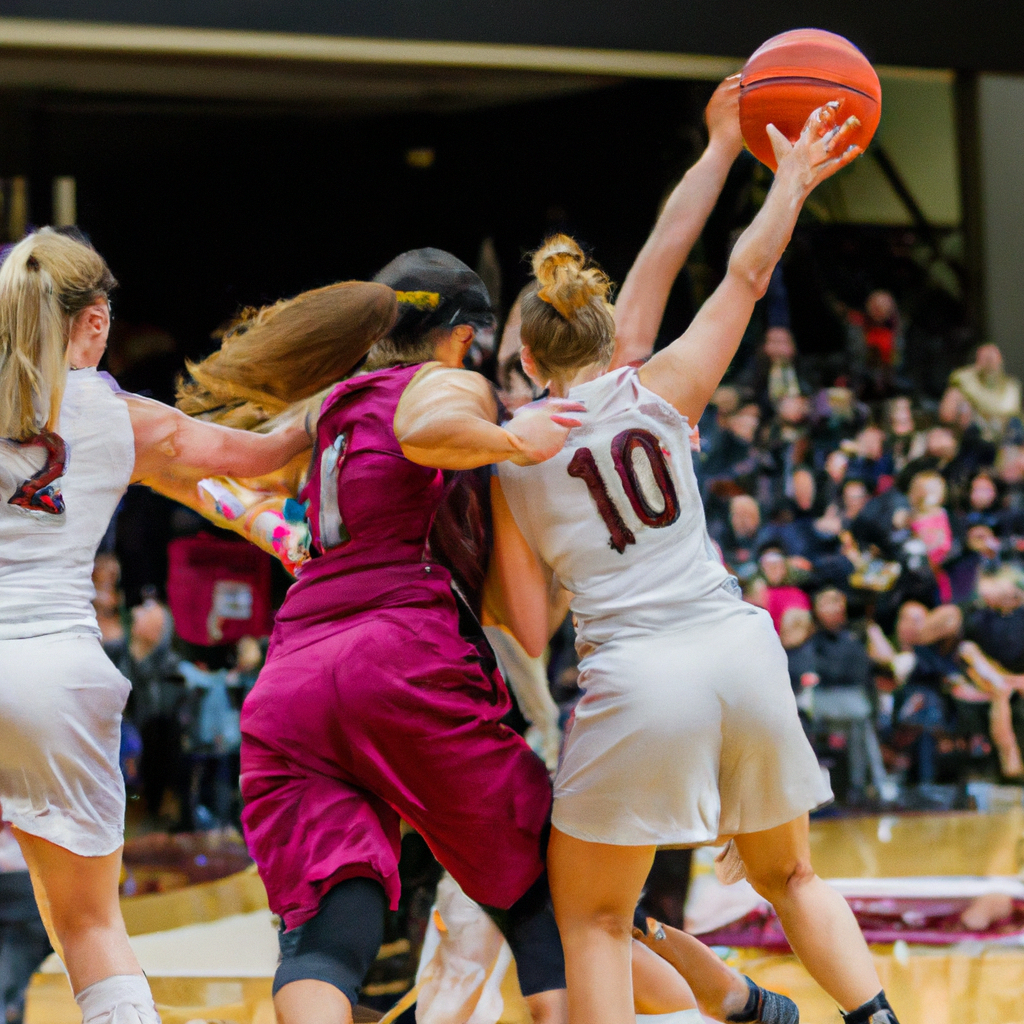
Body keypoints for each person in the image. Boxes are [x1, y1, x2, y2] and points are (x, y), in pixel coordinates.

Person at [484, 106, 901, 1024]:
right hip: (740, 649)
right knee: (790, 874)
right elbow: (746, 274)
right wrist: (789, 177)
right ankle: (875, 1016)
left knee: (590, 917)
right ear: (607, 335)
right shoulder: (666, 385)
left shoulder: (507, 457)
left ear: (523, 358)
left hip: (639, 674)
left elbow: (526, 621)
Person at [0, 227, 314, 1024]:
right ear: (96, 320)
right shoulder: (116, 414)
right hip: (52, 674)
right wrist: (353, 391)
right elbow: (264, 458)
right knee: (89, 925)